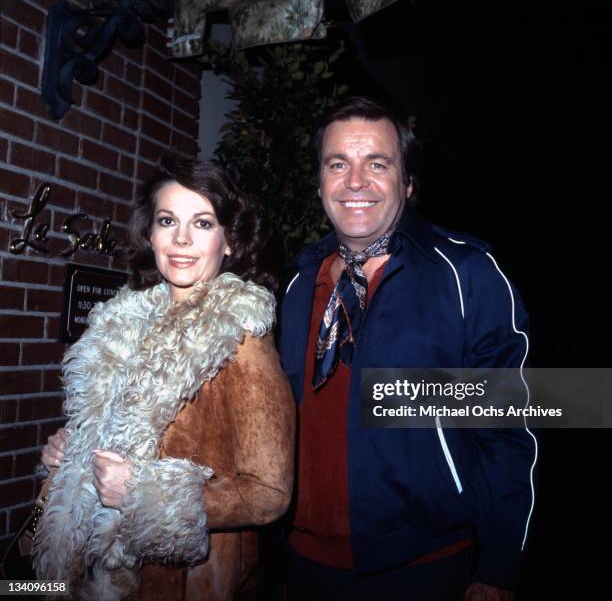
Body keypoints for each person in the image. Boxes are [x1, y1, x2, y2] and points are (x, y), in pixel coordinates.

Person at [277, 97, 537, 601]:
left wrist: (500, 566)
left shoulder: (467, 275)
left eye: (378, 164)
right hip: (304, 565)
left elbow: (507, 431)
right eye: (338, 165)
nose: (356, 182)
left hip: (427, 567)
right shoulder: (296, 282)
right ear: (319, 184)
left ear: (408, 183)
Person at [36, 154, 295, 601]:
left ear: (229, 241)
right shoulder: (120, 324)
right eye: (167, 220)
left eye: (202, 223)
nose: (180, 240)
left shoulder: (241, 341)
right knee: (16, 590)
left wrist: (143, 494)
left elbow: (270, 493)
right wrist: (68, 450)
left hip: (175, 582)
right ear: (150, 233)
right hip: (79, 572)